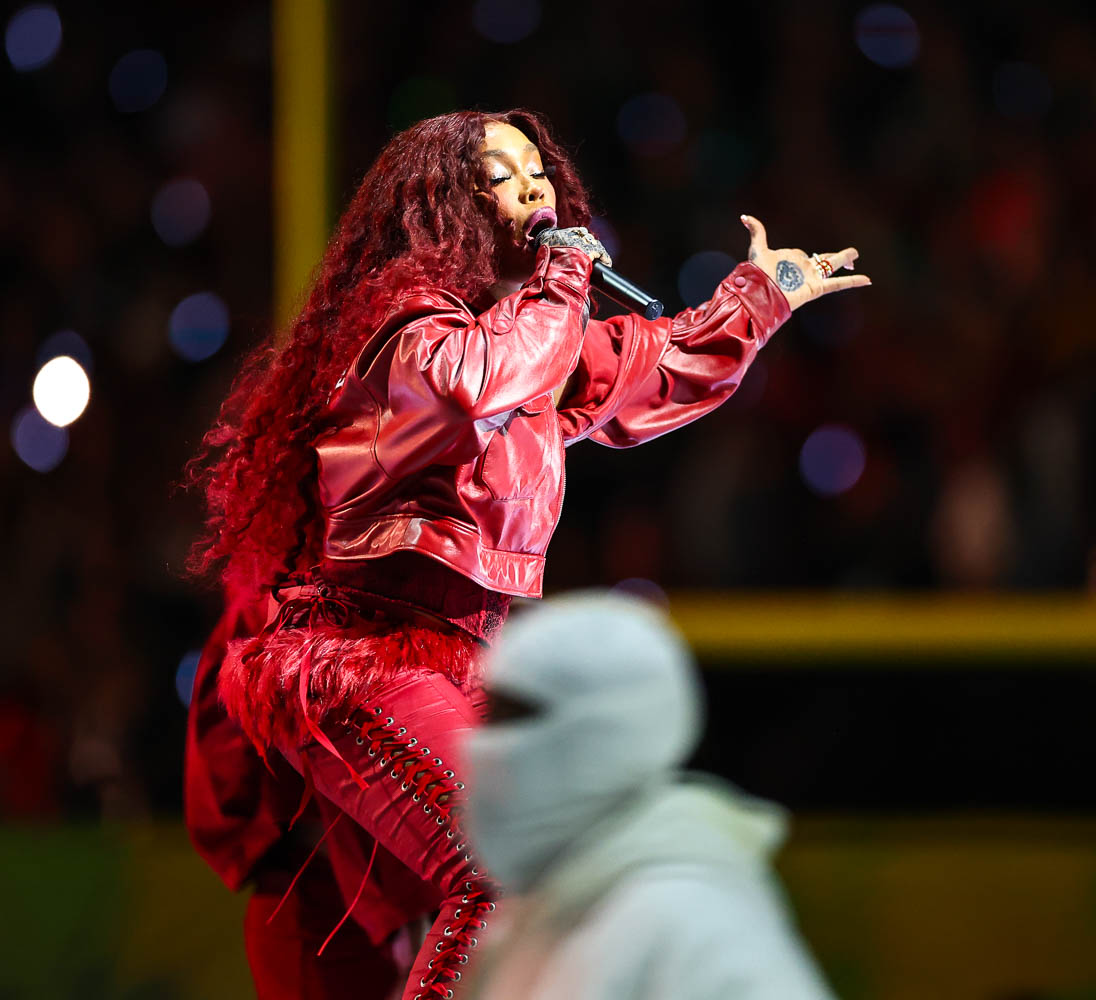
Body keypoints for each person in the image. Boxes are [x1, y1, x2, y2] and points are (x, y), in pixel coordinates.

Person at [181, 108, 869, 1000]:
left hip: (457, 660)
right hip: (363, 657)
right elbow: (475, 390)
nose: (537, 183)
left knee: (537, 879)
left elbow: (654, 364)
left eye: (539, 168)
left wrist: (761, 294)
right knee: (501, 874)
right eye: (505, 174)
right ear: (447, 207)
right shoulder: (409, 328)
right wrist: (566, 276)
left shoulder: (526, 340)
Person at [460, 590, 837, 999]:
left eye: (518, 716)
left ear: (608, 734)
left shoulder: (695, 928)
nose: (486, 747)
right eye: (490, 715)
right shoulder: (526, 926)